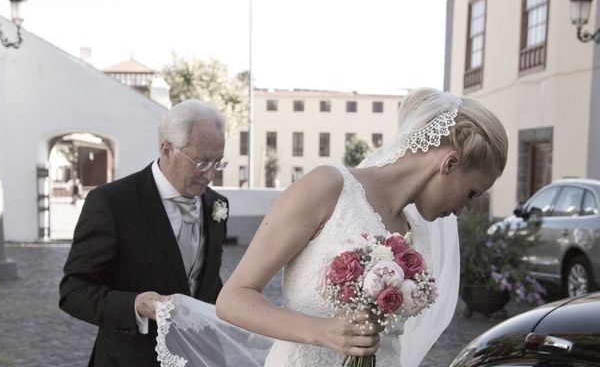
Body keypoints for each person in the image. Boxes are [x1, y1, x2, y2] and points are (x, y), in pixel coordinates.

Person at [208, 87, 508, 367]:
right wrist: (322, 331)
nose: (460, 210)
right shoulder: (328, 188)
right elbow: (233, 299)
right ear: (450, 164)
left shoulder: (417, 231)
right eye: (470, 194)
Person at [59, 99, 229, 367]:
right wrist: (135, 305)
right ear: (167, 149)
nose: (210, 175)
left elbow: (205, 282)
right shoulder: (112, 202)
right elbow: (73, 291)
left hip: (201, 357)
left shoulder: (217, 205)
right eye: (200, 162)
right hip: (130, 358)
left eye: (218, 163)